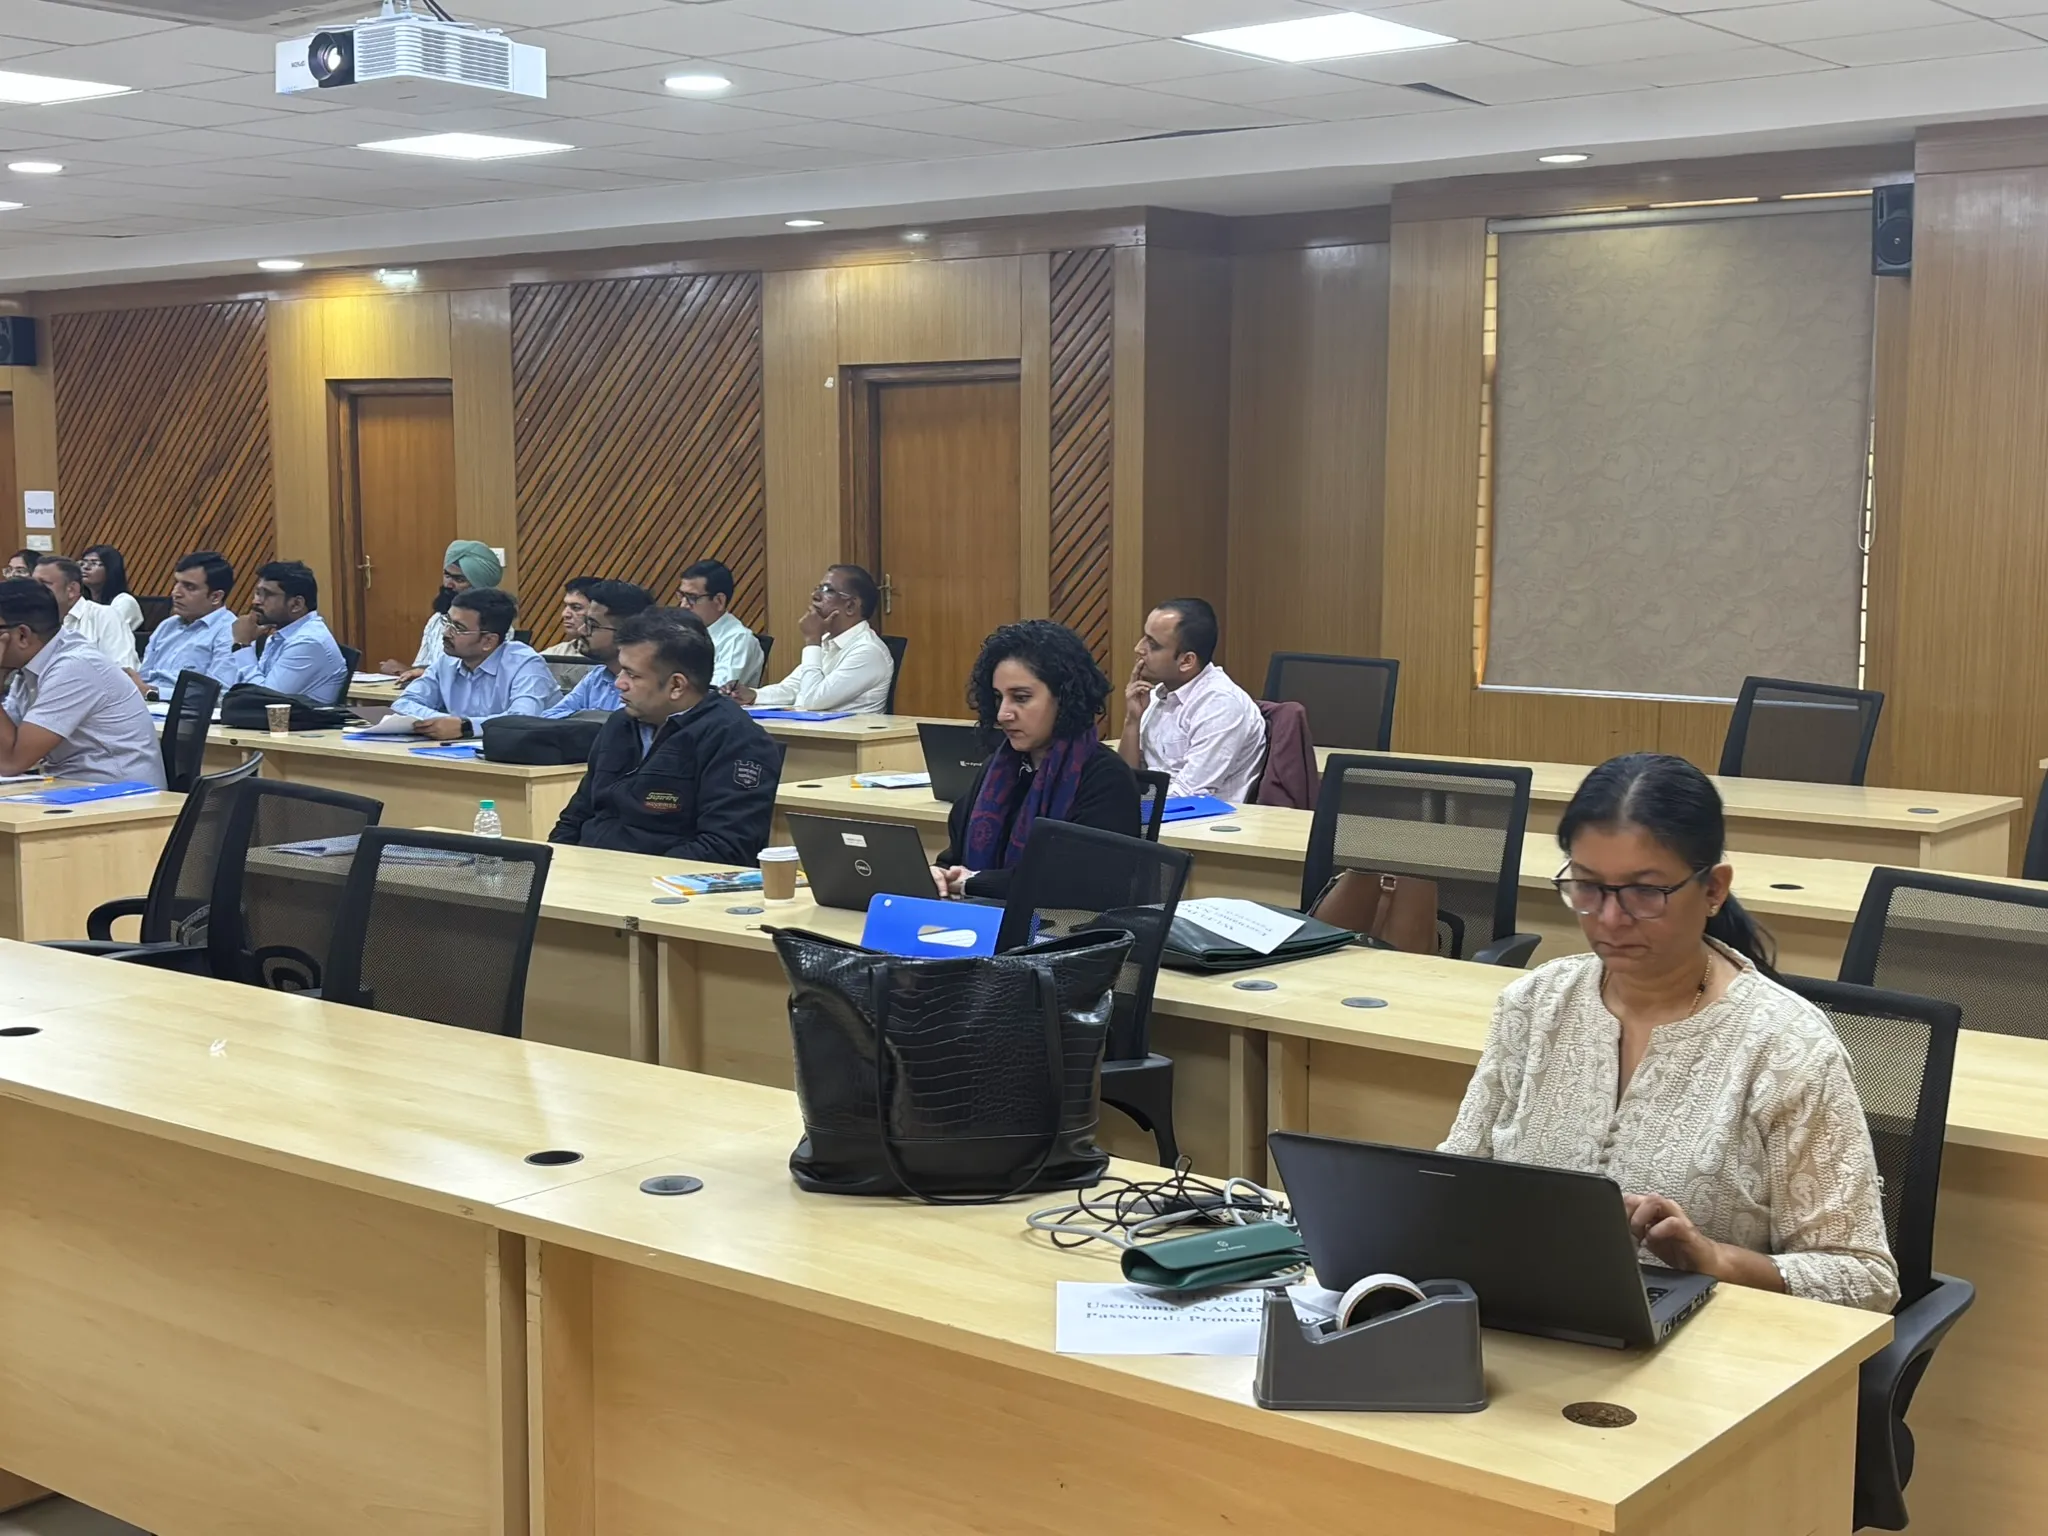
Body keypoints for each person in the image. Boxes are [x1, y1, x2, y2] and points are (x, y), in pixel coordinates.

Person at [1440, 753, 1897, 1313]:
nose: (1610, 919)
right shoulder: (1535, 1005)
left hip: (1709, 1345)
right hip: (1529, 1319)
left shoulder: (1786, 1047)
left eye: (1645, 892)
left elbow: (1864, 1279)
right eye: (1587, 887)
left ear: (1713, 889)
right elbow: (1452, 1182)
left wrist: (1715, 1260)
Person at [932, 620, 1141, 901]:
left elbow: (1079, 883)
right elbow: (954, 858)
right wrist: (938, 873)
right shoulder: (996, 769)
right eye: (998, 698)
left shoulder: (1106, 777)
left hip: (1060, 926)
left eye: (1021, 698)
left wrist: (976, 882)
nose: (1003, 714)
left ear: (1063, 698)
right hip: (980, 917)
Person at [550, 609, 780, 860]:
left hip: (661, 879)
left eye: (632, 674)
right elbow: (575, 818)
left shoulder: (736, 740)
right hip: (589, 872)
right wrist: (555, 866)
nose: (619, 683)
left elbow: (725, 847)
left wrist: (634, 876)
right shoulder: (620, 724)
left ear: (676, 685)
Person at [0, 579, 163, 786]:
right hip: (73, 786)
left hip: (119, 794)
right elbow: (7, 745)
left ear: (23, 635)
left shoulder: (74, 667)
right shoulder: (29, 666)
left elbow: (11, 762)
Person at [1120, 597, 1265, 802]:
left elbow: (1189, 795)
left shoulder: (1220, 705)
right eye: (1144, 637)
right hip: (1153, 810)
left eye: (1152, 644)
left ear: (1187, 661)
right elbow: (1126, 779)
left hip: (1200, 817)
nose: (1139, 648)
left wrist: (1129, 806)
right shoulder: (1156, 695)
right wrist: (1132, 720)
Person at [388, 587, 560, 739]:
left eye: (458, 628)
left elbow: (522, 720)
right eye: (447, 622)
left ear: (488, 641)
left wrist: (466, 727)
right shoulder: (447, 661)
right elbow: (404, 703)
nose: (446, 633)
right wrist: (446, 722)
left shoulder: (526, 664)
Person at [728, 564, 892, 714]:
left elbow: (811, 700)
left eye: (827, 590)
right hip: (812, 733)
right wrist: (754, 695)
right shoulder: (829, 641)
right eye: (817, 588)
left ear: (851, 606)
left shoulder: (868, 651)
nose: (815, 595)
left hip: (845, 736)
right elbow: (793, 688)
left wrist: (813, 640)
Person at [222, 560, 348, 703]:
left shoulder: (309, 642)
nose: (256, 601)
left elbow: (266, 699)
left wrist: (243, 646)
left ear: (296, 604)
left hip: (299, 718)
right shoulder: (281, 634)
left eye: (267, 595)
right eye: (257, 593)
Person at [380, 539, 502, 681]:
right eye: (447, 575)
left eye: (459, 580)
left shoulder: (494, 627)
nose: (448, 585)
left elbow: (470, 678)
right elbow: (422, 666)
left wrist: (408, 671)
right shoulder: (437, 620)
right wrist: (405, 672)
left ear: (479, 587)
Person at [542, 579, 652, 717]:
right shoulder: (597, 677)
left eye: (592, 625)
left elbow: (626, 727)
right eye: (585, 622)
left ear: (625, 633)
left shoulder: (648, 686)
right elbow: (549, 718)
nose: (582, 630)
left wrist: (583, 718)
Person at [139, 550, 237, 697]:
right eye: (177, 583)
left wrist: (153, 692)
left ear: (215, 597)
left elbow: (218, 694)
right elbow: (144, 677)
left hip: (183, 708)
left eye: (189, 587)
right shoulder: (167, 626)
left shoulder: (230, 632)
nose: (176, 593)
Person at [34, 556, 137, 673]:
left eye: (44, 584)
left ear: (71, 590)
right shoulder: (32, 620)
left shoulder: (104, 616)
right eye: (32, 583)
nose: (33, 589)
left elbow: (124, 671)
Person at [677, 558, 765, 691]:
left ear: (719, 601)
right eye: (682, 596)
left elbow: (717, 690)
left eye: (692, 598)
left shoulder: (738, 639)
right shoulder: (682, 631)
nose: (683, 605)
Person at [80, 545, 144, 636]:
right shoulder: (82, 601)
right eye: (83, 563)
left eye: (94, 563)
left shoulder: (124, 602)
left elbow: (108, 635)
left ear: (110, 569)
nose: (85, 567)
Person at [543, 576, 598, 658]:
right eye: (565, 606)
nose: (565, 614)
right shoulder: (556, 654)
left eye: (576, 607)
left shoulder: (617, 657)